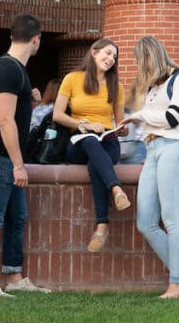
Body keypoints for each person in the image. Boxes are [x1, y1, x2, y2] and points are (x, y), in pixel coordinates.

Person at [0, 14, 50, 297]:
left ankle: (13, 277)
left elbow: (12, 110)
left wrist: (30, 98)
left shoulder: (16, 70)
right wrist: (18, 165)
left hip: (7, 157)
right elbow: (5, 120)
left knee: (17, 217)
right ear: (36, 39)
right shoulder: (9, 69)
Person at [126, 36, 179, 299]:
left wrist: (141, 116)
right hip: (154, 150)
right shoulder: (152, 88)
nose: (142, 67)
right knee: (146, 222)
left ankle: (176, 285)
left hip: (176, 148)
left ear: (153, 56)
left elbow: (172, 118)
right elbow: (152, 123)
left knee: (172, 220)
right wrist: (134, 126)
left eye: (142, 60)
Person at [52, 38, 131, 253]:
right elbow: (57, 115)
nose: (110, 59)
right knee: (90, 143)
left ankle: (102, 226)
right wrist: (82, 124)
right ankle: (116, 189)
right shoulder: (72, 79)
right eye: (107, 53)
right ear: (94, 52)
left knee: (96, 163)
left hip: (107, 139)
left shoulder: (117, 86)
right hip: (79, 138)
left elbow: (119, 120)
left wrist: (123, 129)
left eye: (114, 57)